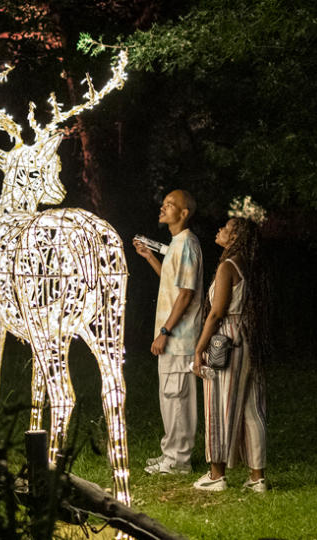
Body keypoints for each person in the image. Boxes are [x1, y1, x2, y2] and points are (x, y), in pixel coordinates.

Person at [192, 217, 271, 493]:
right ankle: (257, 477)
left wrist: (199, 348)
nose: (219, 230)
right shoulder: (247, 265)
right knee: (252, 408)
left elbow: (216, 313)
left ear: (235, 236)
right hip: (247, 337)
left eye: (225, 228)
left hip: (225, 339)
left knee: (219, 403)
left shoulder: (228, 266)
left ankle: (217, 475)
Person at [133, 189, 204, 475]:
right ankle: (171, 454)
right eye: (163, 204)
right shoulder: (176, 243)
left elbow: (186, 294)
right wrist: (150, 256)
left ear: (184, 213)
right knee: (170, 397)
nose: (163, 208)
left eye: (170, 205)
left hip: (180, 338)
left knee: (177, 398)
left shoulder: (187, 244)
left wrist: (165, 330)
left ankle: (178, 460)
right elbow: (172, 282)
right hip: (173, 337)